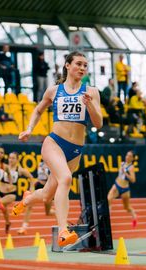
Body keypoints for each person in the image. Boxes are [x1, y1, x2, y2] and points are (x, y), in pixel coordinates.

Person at [11, 51, 103, 247]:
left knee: (46, 195)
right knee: (66, 179)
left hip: (75, 150)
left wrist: (90, 105)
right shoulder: (54, 91)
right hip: (54, 143)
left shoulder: (92, 91)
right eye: (78, 64)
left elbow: (99, 123)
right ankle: (63, 231)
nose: (82, 68)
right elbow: (38, 109)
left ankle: (26, 200)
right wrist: (29, 129)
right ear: (68, 66)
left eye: (85, 65)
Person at [0, 151, 33, 235]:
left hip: (11, 194)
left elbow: (31, 178)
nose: (11, 160)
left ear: (17, 159)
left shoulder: (20, 169)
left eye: (13, 158)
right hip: (0, 191)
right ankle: (7, 223)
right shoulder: (3, 167)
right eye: (10, 158)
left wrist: (31, 190)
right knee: (3, 209)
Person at [17, 159, 55, 235]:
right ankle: (24, 227)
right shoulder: (40, 163)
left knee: (48, 212)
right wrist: (35, 182)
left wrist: (45, 172)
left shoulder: (53, 164)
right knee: (29, 206)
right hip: (38, 186)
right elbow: (39, 176)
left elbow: (53, 178)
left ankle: (63, 222)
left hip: (48, 187)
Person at [107, 150, 138, 228]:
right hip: (117, 185)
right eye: (127, 155)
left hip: (125, 189)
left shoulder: (131, 167)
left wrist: (125, 173)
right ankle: (107, 218)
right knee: (108, 198)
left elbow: (133, 180)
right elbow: (120, 175)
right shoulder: (122, 164)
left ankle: (134, 215)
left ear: (133, 159)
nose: (127, 157)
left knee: (126, 208)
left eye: (130, 156)